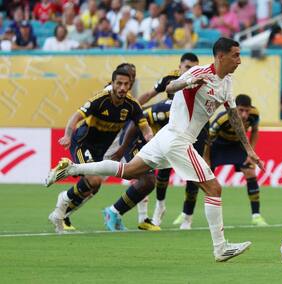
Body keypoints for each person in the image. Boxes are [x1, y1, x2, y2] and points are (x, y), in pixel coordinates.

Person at [46, 37, 262, 262]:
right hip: (177, 138)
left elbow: (234, 117)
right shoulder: (200, 72)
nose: (239, 60)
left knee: (129, 171)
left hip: (167, 137)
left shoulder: (226, 83)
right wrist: (186, 82)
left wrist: (248, 149)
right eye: (236, 55)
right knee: (214, 189)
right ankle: (220, 248)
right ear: (221, 56)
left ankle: (70, 169)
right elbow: (170, 86)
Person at [47, 65, 152, 233]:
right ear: (113, 83)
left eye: (127, 83)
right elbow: (76, 116)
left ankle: (62, 213)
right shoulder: (101, 99)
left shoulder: (132, 105)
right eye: (119, 83)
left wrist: (152, 142)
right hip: (83, 143)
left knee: (94, 187)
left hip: (100, 150)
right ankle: (62, 202)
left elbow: (146, 129)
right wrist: (67, 135)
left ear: (131, 84)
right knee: (94, 180)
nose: (123, 87)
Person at [115, 52, 203, 229]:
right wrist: (131, 109)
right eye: (187, 67)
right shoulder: (170, 79)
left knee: (195, 174)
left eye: (194, 67)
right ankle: (159, 208)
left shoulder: (201, 80)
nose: (191, 70)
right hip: (170, 127)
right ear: (180, 67)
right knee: (161, 173)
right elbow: (149, 94)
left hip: (194, 128)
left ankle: (187, 217)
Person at [172, 94, 267, 229]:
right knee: (200, 177)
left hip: (237, 145)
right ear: (235, 108)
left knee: (251, 172)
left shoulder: (254, 115)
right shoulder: (222, 119)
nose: (245, 114)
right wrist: (206, 160)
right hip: (217, 146)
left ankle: (256, 216)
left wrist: (250, 152)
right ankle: (186, 214)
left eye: (247, 110)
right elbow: (208, 140)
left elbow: (255, 131)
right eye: (241, 110)